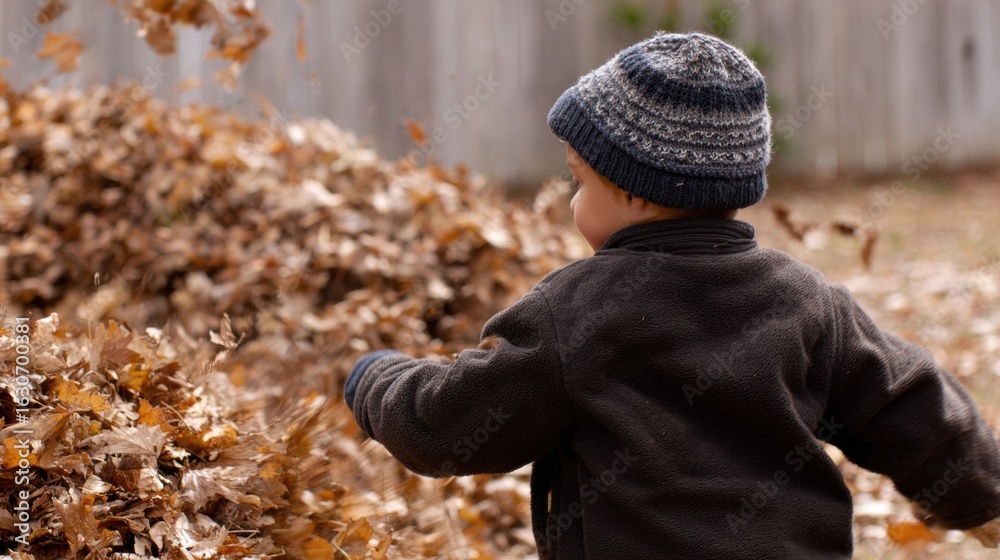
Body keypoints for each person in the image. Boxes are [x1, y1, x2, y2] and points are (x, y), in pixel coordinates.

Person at [344, 32, 1000, 559]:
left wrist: (374, 378)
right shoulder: (805, 300)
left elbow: (447, 428)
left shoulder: (576, 313)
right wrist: (985, 503)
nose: (572, 202)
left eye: (580, 182)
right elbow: (910, 405)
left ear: (633, 192)